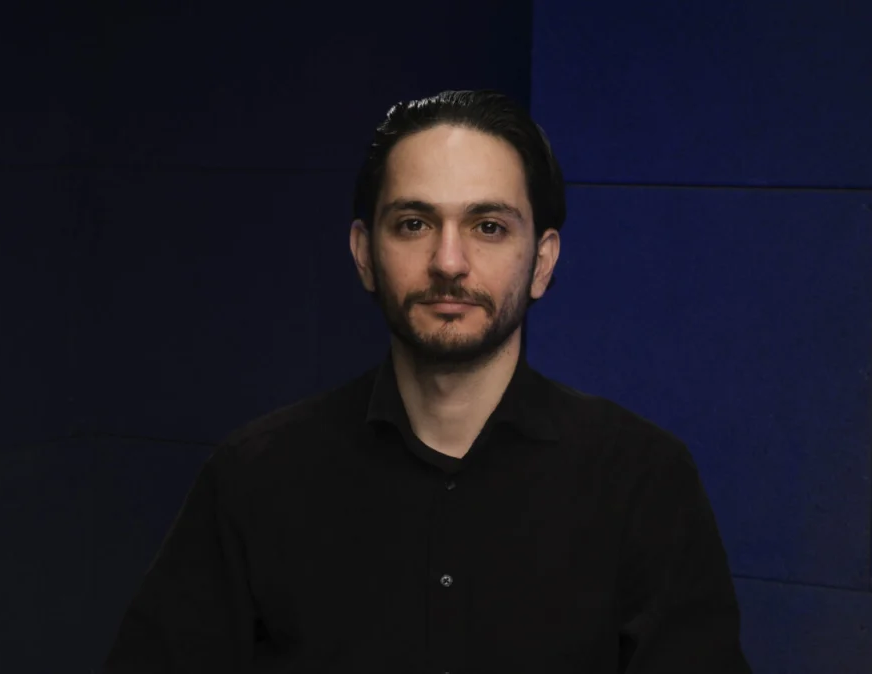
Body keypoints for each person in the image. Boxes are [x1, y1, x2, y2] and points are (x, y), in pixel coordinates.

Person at [103, 89, 750, 673]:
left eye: (488, 227)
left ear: (542, 263)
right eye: (414, 223)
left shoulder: (643, 481)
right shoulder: (254, 478)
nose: (448, 261)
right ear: (364, 253)